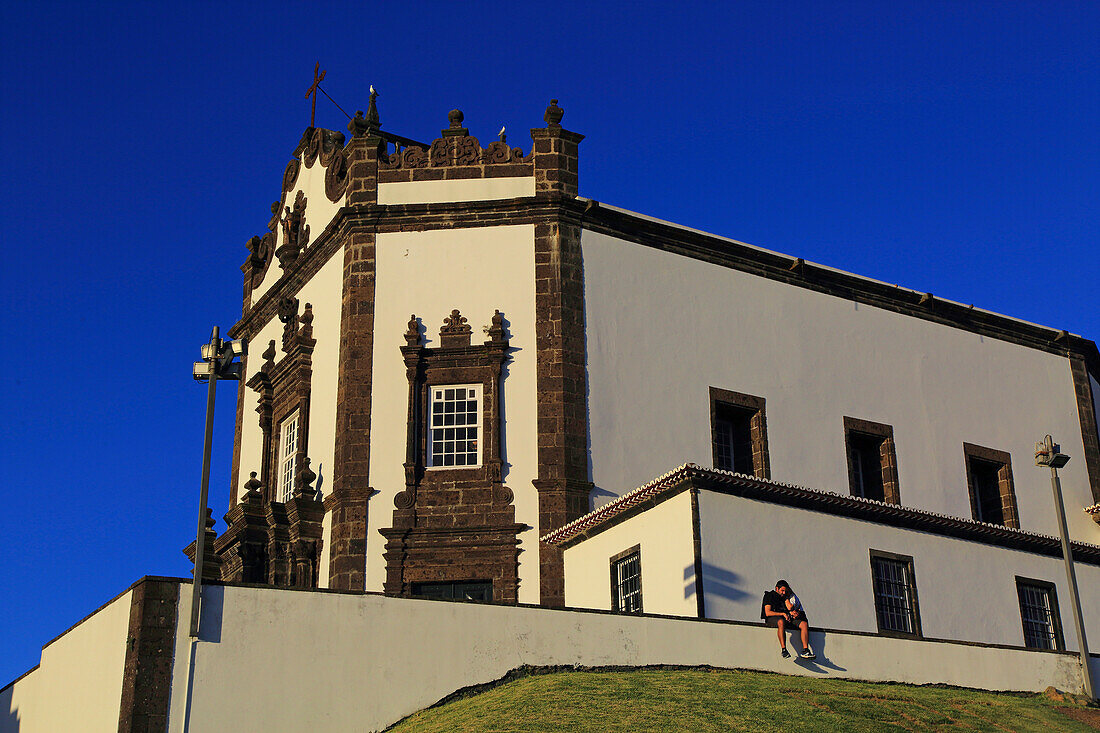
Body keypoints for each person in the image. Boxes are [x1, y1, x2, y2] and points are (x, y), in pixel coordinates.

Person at [761, 580, 815, 659]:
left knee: (804, 624)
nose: (783, 593)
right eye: (782, 590)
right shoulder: (769, 595)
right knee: (781, 622)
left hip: (785, 618)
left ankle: (806, 650)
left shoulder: (785, 598)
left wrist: (792, 613)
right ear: (777, 589)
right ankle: (784, 649)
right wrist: (782, 614)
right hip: (773, 618)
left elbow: (789, 609)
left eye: (785, 591)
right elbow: (768, 613)